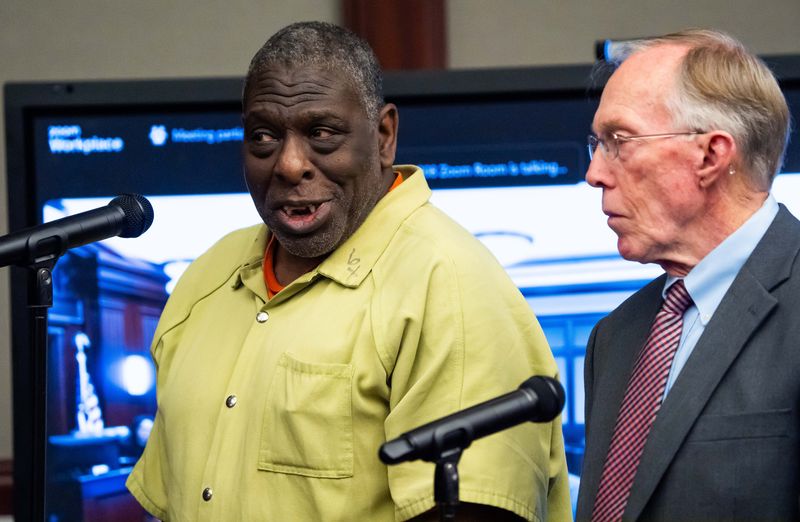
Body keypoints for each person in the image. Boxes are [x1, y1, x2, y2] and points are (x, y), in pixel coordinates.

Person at [126, 21, 571, 521]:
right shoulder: (206, 276)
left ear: (383, 136)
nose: (289, 164)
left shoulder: (450, 283)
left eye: (321, 133)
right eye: (263, 136)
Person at [576, 28, 799, 521]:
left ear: (711, 156)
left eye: (619, 141)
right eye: (597, 144)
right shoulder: (614, 337)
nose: (594, 173)